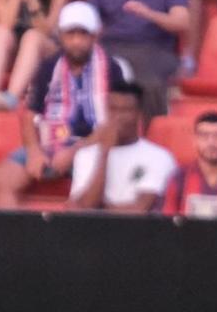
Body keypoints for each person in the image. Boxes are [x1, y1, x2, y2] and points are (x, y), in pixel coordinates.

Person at [0, 0, 130, 208]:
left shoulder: (113, 69)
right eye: (70, 34)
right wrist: (34, 151)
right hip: (51, 143)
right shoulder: (49, 67)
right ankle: (16, 239)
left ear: (94, 36)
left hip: (94, 146)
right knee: (0, 178)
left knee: (92, 187)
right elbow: (30, 114)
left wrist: (74, 151)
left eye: (83, 34)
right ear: (62, 36)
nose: (76, 41)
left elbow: (116, 123)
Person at [67, 82, 174, 214]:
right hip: (91, 231)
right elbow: (86, 205)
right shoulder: (86, 154)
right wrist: (104, 152)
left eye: (125, 110)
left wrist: (99, 209)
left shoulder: (159, 156)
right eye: (113, 109)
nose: (117, 117)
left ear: (139, 114)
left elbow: (140, 209)